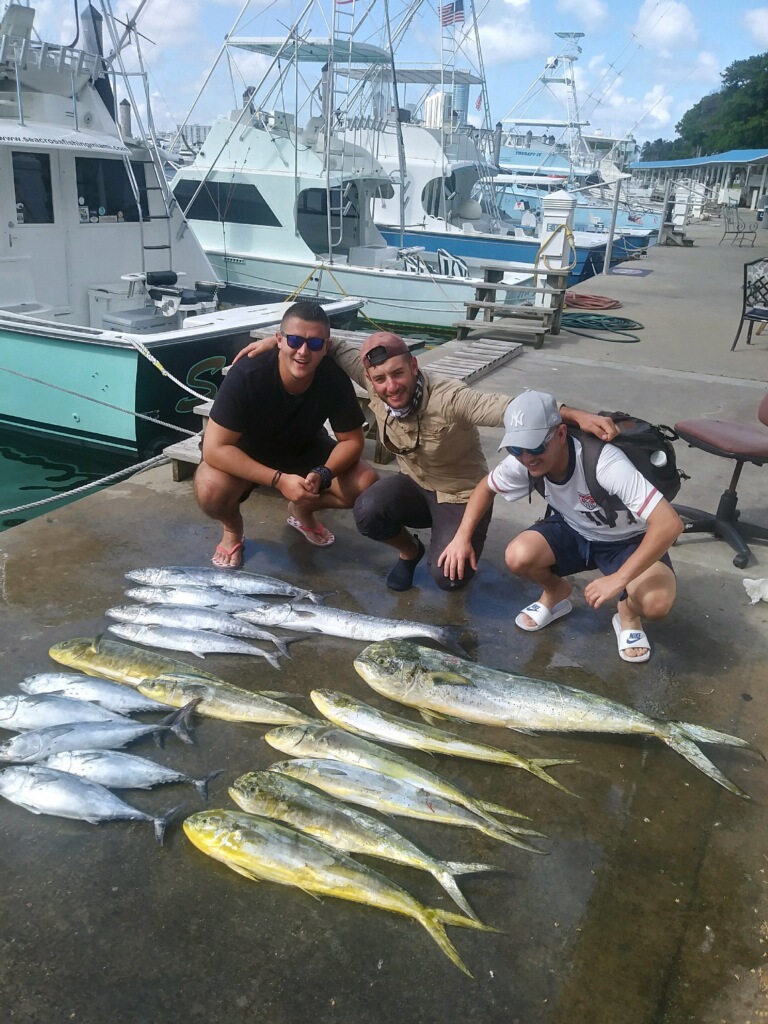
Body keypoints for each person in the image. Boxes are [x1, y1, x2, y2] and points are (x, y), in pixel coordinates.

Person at [236, 329, 617, 591]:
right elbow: (328, 344)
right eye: (380, 378)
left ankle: (449, 544)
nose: (390, 386)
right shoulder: (373, 380)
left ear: (413, 366)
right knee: (368, 509)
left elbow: (514, 407)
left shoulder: (449, 398)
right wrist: (281, 342)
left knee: (449, 579)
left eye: (398, 374)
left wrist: (576, 415)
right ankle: (409, 550)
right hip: (415, 486)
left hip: (461, 495)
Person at [438, 389, 683, 662]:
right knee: (518, 556)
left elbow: (669, 524)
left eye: (535, 447)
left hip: (628, 539)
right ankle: (556, 591)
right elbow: (486, 487)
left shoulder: (606, 463)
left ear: (561, 434)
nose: (526, 458)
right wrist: (462, 537)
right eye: (515, 449)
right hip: (575, 529)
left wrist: (619, 579)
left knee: (657, 603)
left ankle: (628, 613)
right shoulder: (523, 461)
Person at [195, 300, 377, 568]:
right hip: (245, 451)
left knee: (365, 482)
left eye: (315, 344)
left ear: (327, 347)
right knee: (210, 489)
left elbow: (352, 440)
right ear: (279, 340)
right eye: (294, 341)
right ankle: (232, 528)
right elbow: (215, 448)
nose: (303, 351)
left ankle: (302, 509)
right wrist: (279, 480)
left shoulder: (332, 377)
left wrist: (323, 473)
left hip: (304, 448)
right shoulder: (247, 373)